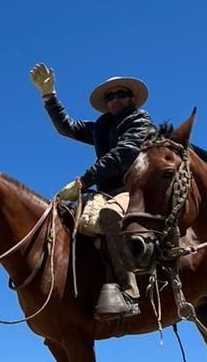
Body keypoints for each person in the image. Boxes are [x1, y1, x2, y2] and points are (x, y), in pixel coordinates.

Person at [30, 63, 154, 318]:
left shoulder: (140, 121)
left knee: (109, 215)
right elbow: (68, 127)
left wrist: (83, 182)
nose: (115, 99)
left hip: (132, 188)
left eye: (120, 94)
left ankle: (128, 292)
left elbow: (124, 155)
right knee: (71, 222)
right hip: (104, 191)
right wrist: (49, 96)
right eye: (110, 96)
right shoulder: (102, 126)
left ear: (132, 98)